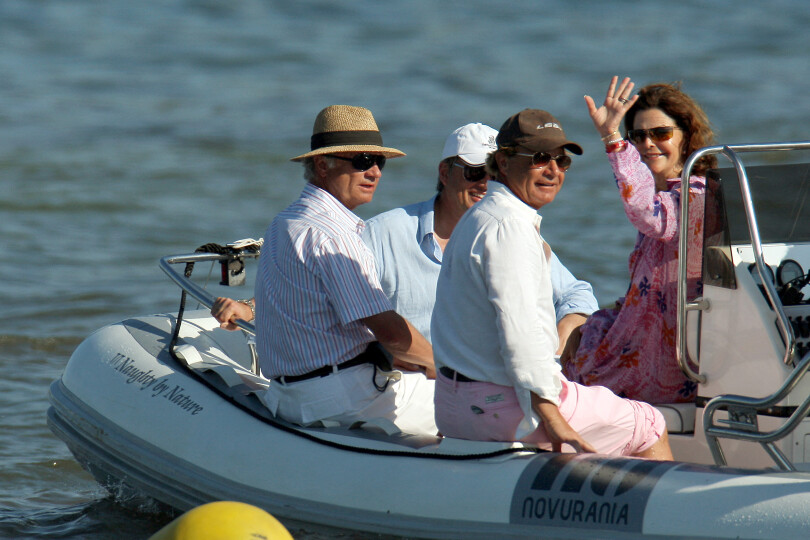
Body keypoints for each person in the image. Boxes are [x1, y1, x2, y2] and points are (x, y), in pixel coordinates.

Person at [431, 108, 673, 458]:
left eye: (562, 161)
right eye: (540, 158)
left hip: (455, 406)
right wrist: (551, 415)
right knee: (649, 423)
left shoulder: (478, 217)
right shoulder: (509, 227)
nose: (553, 170)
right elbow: (521, 333)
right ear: (502, 162)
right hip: (504, 407)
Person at [214, 105, 437, 436]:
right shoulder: (332, 234)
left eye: (380, 162)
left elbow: (300, 301)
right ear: (322, 164)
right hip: (346, 398)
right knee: (487, 400)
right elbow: (389, 330)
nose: (375, 172)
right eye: (362, 161)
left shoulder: (285, 222)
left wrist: (247, 308)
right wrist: (446, 368)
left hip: (291, 395)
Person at [363, 123, 598, 347]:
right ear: (445, 174)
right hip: (407, 378)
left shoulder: (515, 234)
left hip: (488, 380)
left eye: (495, 174)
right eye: (475, 172)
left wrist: (559, 344)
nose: (486, 184)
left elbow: (578, 296)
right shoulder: (382, 234)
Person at [562, 76, 716, 404]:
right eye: (638, 136)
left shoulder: (695, 195)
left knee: (570, 375)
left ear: (686, 136)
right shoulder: (668, 194)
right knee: (579, 332)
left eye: (661, 133)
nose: (648, 144)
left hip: (670, 356)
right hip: (647, 338)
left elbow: (645, 211)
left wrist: (611, 137)